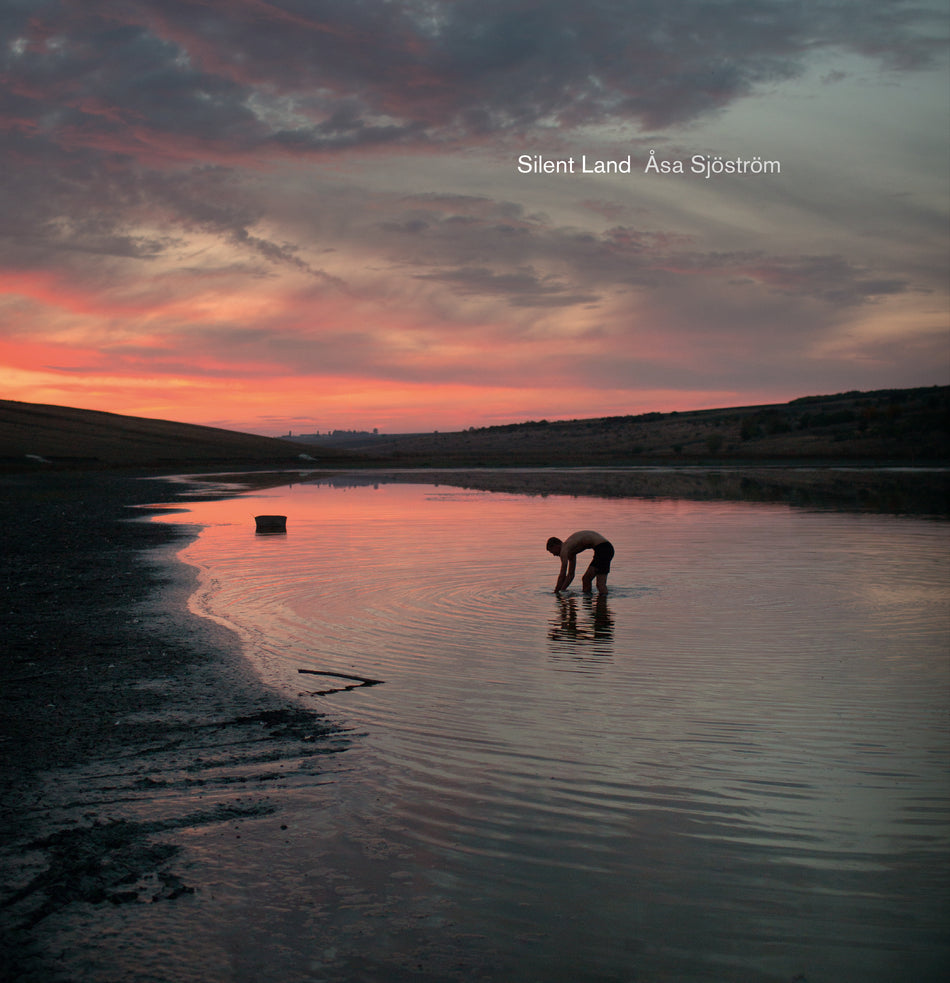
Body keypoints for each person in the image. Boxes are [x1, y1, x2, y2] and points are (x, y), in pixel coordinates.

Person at [546, 530, 615, 595]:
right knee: (588, 580)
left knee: (598, 584)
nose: (554, 555)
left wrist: (556, 592)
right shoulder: (571, 551)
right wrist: (562, 589)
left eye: (552, 551)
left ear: (556, 545)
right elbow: (571, 575)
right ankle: (591, 604)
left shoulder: (564, 549)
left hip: (603, 549)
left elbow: (562, 574)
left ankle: (597, 603)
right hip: (606, 548)